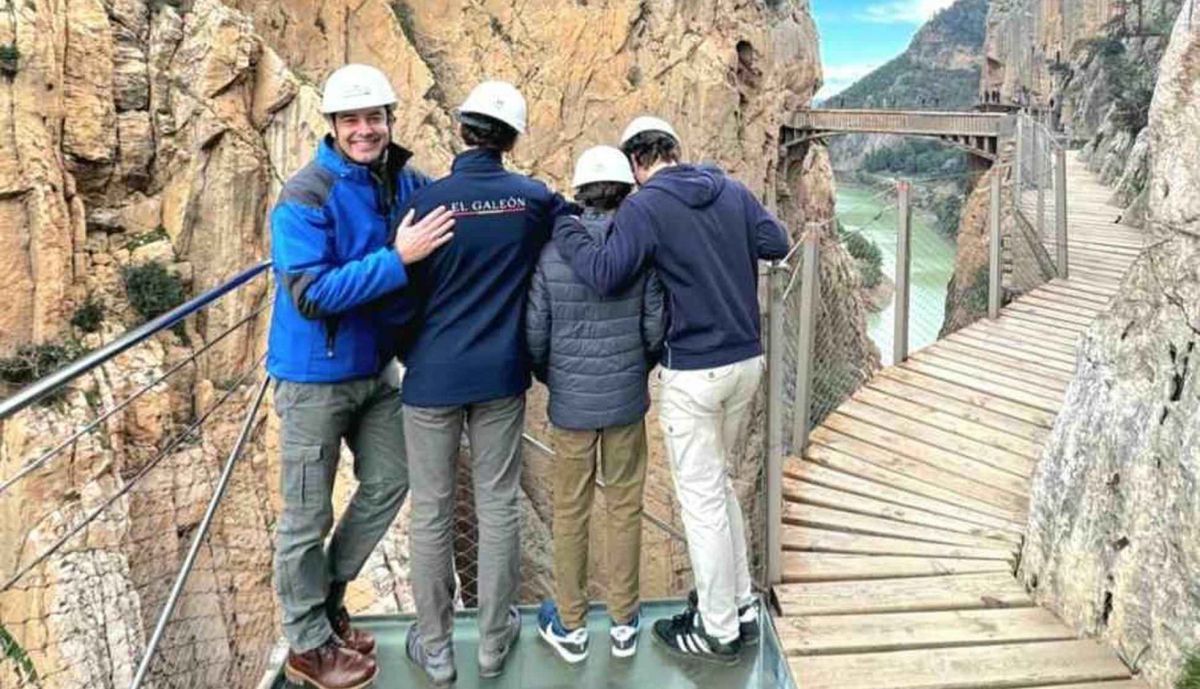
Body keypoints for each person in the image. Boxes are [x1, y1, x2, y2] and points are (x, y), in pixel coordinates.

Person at [553, 116, 790, 666]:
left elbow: (607, 271)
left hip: (695, 372)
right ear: (676, 151)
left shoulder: (646, 205)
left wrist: (564, 225)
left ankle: (717, 629)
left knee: (701, 501)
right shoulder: (728, 187)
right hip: (746, 362)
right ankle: (739, 603)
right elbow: (774, 241)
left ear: (637, 165)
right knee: (722, 485)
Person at [267, 63, 454, 689]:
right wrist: (397, 259)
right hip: (313, 377)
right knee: (304, 517)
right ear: (333, 126)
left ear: (389, 121)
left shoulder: (400, 180)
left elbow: (456, 204)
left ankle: (328, 598)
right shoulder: (306, 195)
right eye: (353, 120)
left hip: (375, 370)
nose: (365, 130)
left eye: (374, 117)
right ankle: (307, 645)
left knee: (392, 478)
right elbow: (311, 293)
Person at [399, 80, 577, 685]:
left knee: (430, 511)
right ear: (511, 138)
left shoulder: (427, 201)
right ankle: (495, 644)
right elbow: (577, 225)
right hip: (500, 375)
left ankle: (437, 647)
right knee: (498, 505)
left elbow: (402, 291)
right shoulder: (531, 201)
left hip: (430, 377)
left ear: (463, 131)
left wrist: (411, 351)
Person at [526, 146, 664, 664]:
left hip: (571, 408)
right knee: (625, 507)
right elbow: (655, 327)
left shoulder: (550, 253)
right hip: (627, 401)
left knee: (571, 511)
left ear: (579, 193)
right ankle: (625, 624)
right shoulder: (640, 251)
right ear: (626, 193)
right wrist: (636, 368)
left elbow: (535, 334)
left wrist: (554, 377)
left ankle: (572, 624)